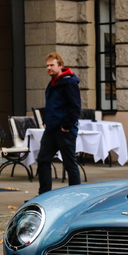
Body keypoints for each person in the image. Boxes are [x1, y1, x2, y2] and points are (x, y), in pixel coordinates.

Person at [36, 52, 81, 194]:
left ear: (60, 66)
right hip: (51, 129)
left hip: (64, 130)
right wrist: (46, 121)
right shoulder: (53, 82)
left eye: (52, 65)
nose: (49, 68)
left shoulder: (68, 82)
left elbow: (75, 106)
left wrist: (66, 126)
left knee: (69, 163)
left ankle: (75, 194)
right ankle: (44, 194)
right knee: (43, 160)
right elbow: (51, 104)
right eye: (47, 66)